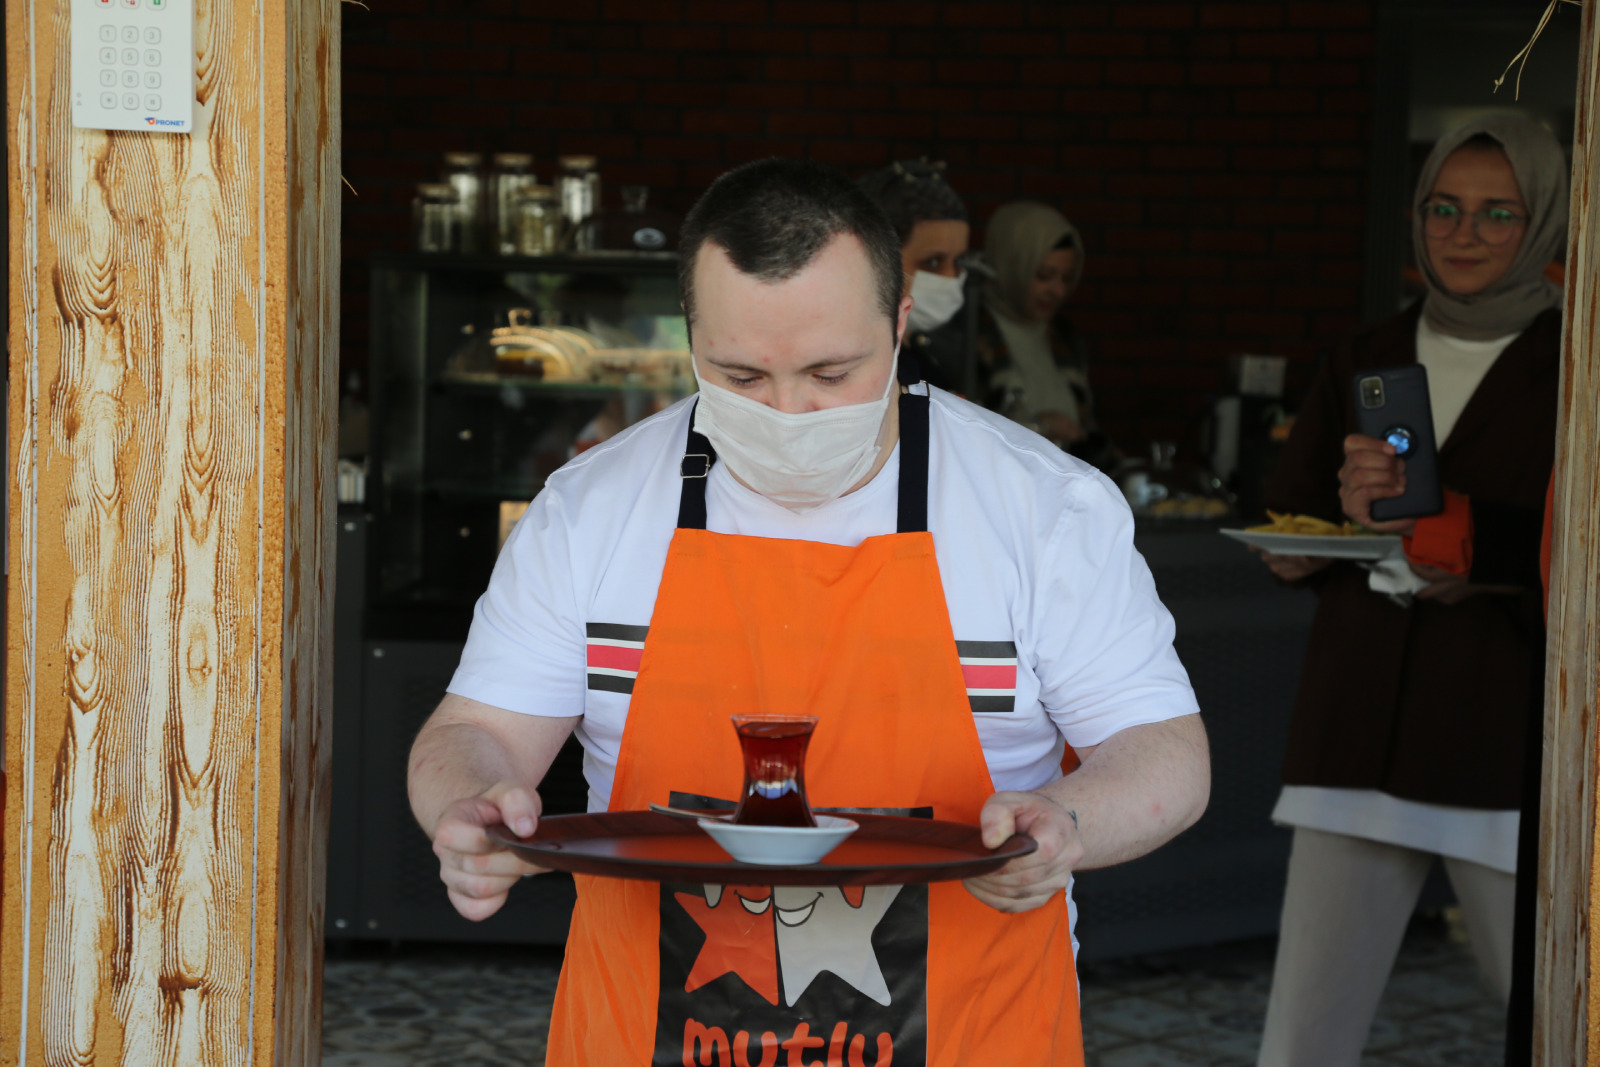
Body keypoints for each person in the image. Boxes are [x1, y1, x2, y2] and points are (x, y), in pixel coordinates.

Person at [407, 158, 1210, 1065]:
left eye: (832, 371)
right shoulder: (591, 507)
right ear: (690, 338)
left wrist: (1068, 820)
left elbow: (1164, 752)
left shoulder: (1044, 507)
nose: (789, 411)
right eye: (741, 375)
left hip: (976, 1036)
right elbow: (476, 730)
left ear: (900, 322)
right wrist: (473, 804)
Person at [1251, 114, 1567, 1067]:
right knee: (1305, 1031)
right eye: (1443, 208)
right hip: (1357, 717)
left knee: (1553, 1016)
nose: (1463, 233)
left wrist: (1463, 540)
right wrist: (1315, 540)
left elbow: (1580, 546)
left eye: (1498, 213)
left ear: (1546, 223)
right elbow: (1295, 517)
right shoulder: (1371, 351)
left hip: (1499, 730)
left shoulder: (1578, 362)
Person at [979, 201, 1114, 469]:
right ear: (1011, 265)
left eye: (1066, 278)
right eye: (1044, 275)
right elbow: (962, 427)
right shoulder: (970, 334)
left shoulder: (1063, 336)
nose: (1057, 291)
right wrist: (1038, 427)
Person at [856, 158, 983, 397]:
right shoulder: (851, 369)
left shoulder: (927, 356)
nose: (951, 277)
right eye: (932, 262)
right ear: (875, 260)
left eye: (958, 261)